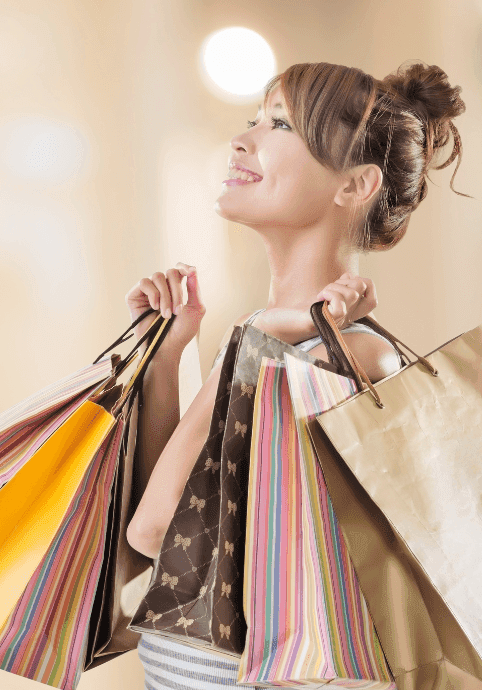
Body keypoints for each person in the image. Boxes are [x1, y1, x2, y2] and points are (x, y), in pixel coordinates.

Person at [123, 60, 468, 689]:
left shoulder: (347, 360)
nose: (243, 139)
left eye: (280, 124)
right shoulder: (272, 337)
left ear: (355, 184)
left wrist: (245, 344)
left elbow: (156, 527)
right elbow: (178, 526)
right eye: (252, 119)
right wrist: (171, 354)